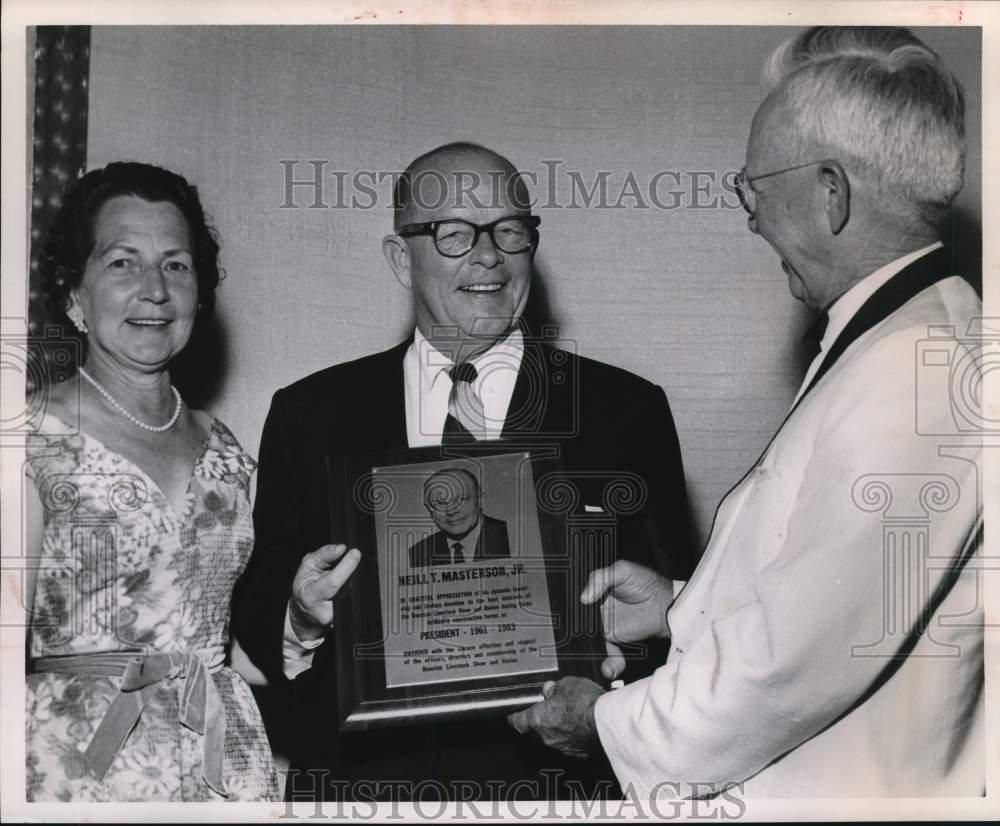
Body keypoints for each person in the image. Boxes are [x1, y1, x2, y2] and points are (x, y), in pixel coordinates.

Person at [509, 27, 984, 798]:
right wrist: (678, 610)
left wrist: (604, 723)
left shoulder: (913, 368)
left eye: (753, 189)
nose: (751, 219)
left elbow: (791, 664)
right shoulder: (914, 338)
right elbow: (830, 587)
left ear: (830, 193)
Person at [232, 141, 696, 800]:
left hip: (557, 792)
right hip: (364, 791)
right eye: (454, 233)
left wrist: (608, 689)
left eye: (511, 231)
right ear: (400, 257)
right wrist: (300, 614)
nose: (488, 256)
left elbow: (678, 617)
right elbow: (257, 599)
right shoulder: (311, 413)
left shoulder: (625, 411)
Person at [23, 162, 279, 801]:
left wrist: (304, 621)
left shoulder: (226, 452)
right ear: (73, 293)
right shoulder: (28, 438)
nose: (154, 290)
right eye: (121, 263)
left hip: (226, 761)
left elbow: (241, 647)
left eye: (176, 265)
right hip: (77, 771)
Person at [408, 468, 510, 567]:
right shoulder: (418, 553)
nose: (451, 511)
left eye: (460, 500)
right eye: (439, 503)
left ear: (479, 500)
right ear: (429, 510)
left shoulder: (508, 535)